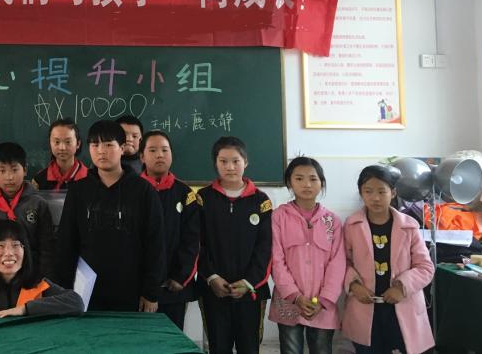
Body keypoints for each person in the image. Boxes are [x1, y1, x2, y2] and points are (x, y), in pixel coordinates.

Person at [53, 120, 165, 312]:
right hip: (86, 293)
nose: (101, 151)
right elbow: (66, 243)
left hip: (132, 291)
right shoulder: (79, 191)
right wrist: (63, 291)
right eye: (95, 145)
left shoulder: (143, 191)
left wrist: (151, 292)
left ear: (122, 148)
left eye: (108, 145)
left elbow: (155, 244)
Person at [342, 164, 434, 354]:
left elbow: (425, 267)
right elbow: (342, 262)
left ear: (393, 193)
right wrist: (354, 285)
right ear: (361, 193)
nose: (375, 197)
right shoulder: (351, 225)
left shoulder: (409, 226)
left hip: (403, 306)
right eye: (368, 191)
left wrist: (401, 287)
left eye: (381, 191)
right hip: (365, 307)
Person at [198, 136, 273, 354]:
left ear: (245, 162)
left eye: (235, 161)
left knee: (249, 347)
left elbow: (265, 248)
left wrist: (249, 282)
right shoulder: (203, 198)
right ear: (215, 163)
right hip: (213, 290)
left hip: (251, 291)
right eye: (223, 161)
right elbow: (197, 244)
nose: (230, 167)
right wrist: (212, 277)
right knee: (218, 347)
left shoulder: (261, 201)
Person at [268, 157, 345, 354]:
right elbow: (276, 260)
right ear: (289, 183)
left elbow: (338, 264)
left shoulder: (332, 221)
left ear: (322, 183)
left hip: (322, 304)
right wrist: (295, 296)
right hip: (288, 300)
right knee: (290, 350)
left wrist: (325, 299)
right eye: (299, 178)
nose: (307, 184)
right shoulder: (278, 216)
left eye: (313, 179)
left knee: (321, 349)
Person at [139, 130, 201, 329]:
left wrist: (180, 276)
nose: (160, 155)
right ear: (142, 157)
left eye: (165, 150)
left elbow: (192, 239)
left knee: (172, 338)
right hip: (138, 287)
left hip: (173, 287)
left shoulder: (185, 194)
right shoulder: (133, 189)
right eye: (153, 150)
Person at [0, 143, 54, 276]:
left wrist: (43, 279)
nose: (9, 177)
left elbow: (46, 249)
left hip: (29, 276)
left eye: (14, 170)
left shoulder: (38, 205)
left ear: (25, 170)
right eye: (2, 171)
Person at [32, 118, 88, 191]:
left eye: (68, 142)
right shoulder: (39, 180)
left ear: (78, 144)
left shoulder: (89, 177)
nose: (62, 148)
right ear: (50, 143)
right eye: (57, 142)